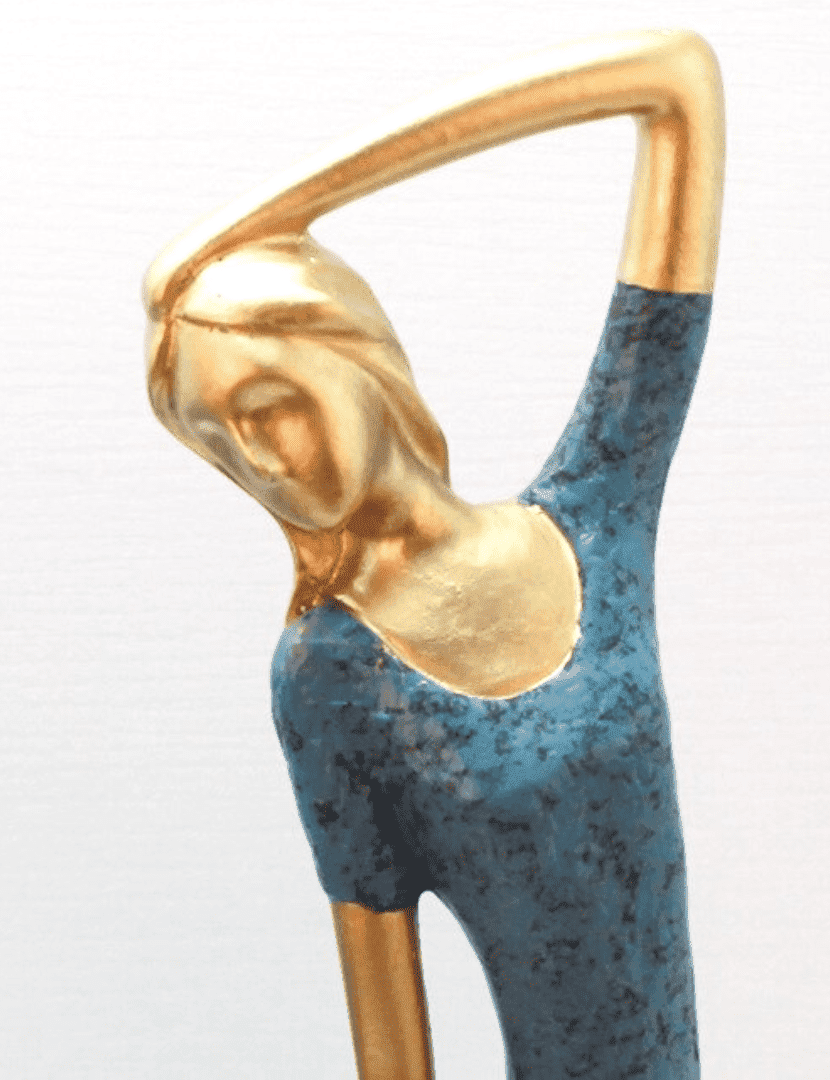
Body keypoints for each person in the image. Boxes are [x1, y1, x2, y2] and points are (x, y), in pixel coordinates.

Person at [144, 29, 724, 1080]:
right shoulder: (331, 677)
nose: (259, 461)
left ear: (352, 351)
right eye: (217, 440)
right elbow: (390, 1038)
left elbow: (677, 81)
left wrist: (255, 222)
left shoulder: (599, 510)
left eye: (268, 405)